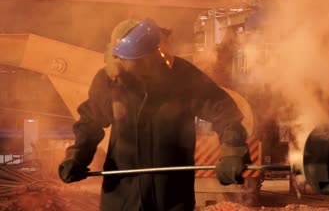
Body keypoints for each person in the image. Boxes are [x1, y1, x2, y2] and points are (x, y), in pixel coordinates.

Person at [58, 18, 251, 211]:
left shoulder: (182, 77)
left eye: (133, 61)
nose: (124, 65)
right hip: (122, 199)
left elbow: (224, 111)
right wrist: (76, 157)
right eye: (122, 59)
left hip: (170, 198)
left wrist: (233, 152)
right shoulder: (111, 80)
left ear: (151, 55)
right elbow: (90, 122)